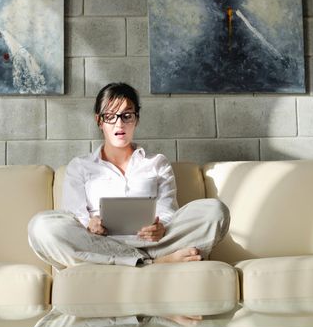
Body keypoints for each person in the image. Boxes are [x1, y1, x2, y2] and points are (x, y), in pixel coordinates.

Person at [28, 82, 229, 270]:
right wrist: (89, 224)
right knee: (42, 227)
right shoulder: (80, 166)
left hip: (156, 243)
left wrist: (159, 227)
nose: (119, 124)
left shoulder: (157, 163)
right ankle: (151, 263)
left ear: (136, 119)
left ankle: (133, 260)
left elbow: (168, 211)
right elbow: (73, 216)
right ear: (99, 121)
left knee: (215, 211)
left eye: (127, 115)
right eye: (111, 116)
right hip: (100, 244)